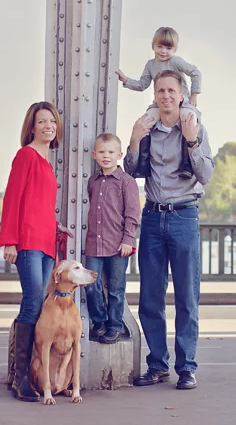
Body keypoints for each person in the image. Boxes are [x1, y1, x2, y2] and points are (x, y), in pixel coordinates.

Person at [125, 69, 214, 391]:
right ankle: (158, 366)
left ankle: (187, 367)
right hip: (152, 217)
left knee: (187, 299)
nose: (165, 95)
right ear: (155, 95)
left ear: (181, 95)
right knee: (150, 298)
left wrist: (191, 140)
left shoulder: (195, 127)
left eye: (171, 91)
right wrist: (134, 138)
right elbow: (131, 170)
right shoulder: (147, 128)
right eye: (160, 90)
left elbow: (205, 174)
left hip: (184, 217)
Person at [0, 101, 67, 403]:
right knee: (32, 302)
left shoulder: (48, 163)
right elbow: (13, 199)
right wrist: (9, 241)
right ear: (32, 127)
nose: (48, 126)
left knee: (38, 304)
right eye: (42, 122)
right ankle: (20, 378)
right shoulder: (25, 156)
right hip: (26, 243)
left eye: (52, 121)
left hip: (46, 242)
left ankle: (24, 374)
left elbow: (40, 205)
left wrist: (56, 227)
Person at [116, 27, 202, 179]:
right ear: (153, 46)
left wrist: (194, 95)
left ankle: (187, 164)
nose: (163, 51)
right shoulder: (150, 65)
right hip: (160, 104)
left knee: (189, 119)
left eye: (168, 48)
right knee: (145, 122)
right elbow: (143, 84)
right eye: (160, 47)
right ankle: (143, 164)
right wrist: (126, 80)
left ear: (174, 49)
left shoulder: (176, 61)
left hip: (181, 103)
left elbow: (196, 73)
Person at [84, 132, 140, 344]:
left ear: (119, 154)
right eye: (101, 152)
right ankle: (99, 322)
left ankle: (114, 325)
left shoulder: (126, 182)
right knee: (91, 285)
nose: (106, 156)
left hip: (118, 245)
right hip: (94, 243)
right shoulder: (93, 181)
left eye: (110, 152)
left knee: (116, 288)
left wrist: (128, 239)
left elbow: (132, 213)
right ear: (94, 155)